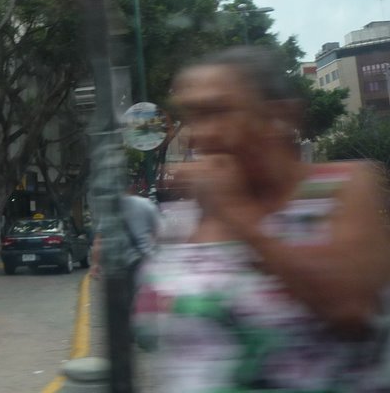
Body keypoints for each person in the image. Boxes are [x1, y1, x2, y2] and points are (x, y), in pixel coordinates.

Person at [135, 46, 390, 392]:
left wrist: (237, 211)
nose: (199, 135)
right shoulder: (188, 216)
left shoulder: (342, 187)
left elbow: (350, 310)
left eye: (216, 112)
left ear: (278, 117)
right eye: (193, 116)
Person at [90, 188, 161, 306]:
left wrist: (95, 264)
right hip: (144, 264)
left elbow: (99, 240)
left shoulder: (110, 210)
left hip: (119, 267)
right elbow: (158, 232)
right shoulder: (146, 204)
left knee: (123, 305)